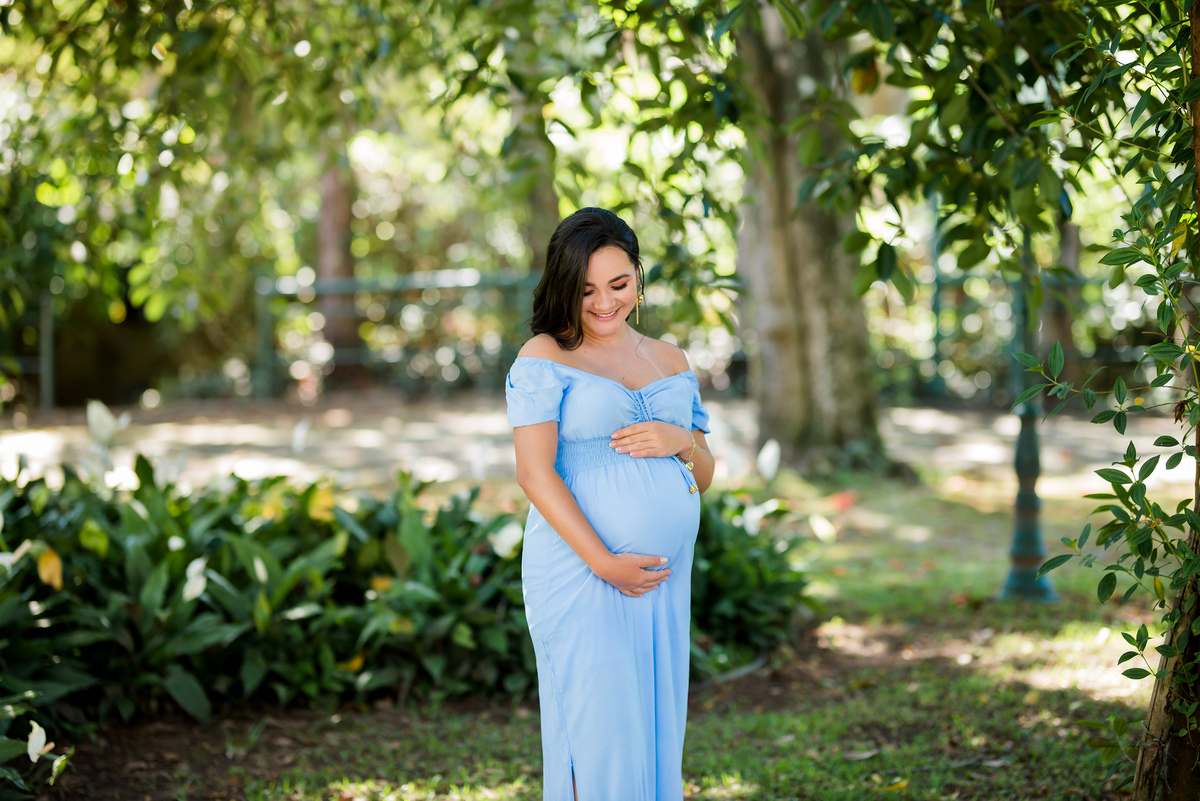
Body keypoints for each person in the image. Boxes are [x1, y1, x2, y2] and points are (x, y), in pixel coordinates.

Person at [505, 207, 715, 801]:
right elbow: (534, 472)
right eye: (586, 289)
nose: (603, 303)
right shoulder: (544, 356)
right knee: (595, 732)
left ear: (639, 278)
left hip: (660, 582)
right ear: (563, 287)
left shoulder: (669, 359)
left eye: (618, 284)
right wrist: (604, 562)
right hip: (581, 571)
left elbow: (704, 476)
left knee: (648, 725)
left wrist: (682, 443)